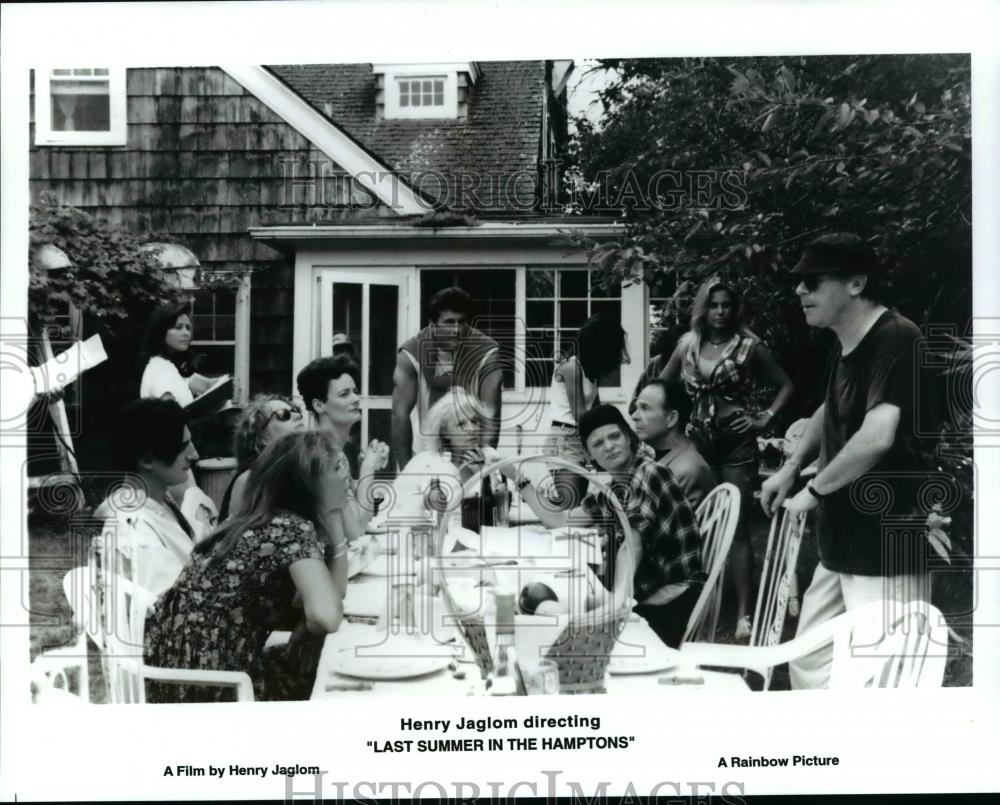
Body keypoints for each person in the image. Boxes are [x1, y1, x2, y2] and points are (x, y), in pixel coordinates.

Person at [760, 233, 929, 690]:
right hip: (843, 539)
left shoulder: (896, 336)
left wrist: (812, 493)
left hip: (885, 541)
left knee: (882, 682)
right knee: (810, 663)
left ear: (856, 283)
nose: (800, 291)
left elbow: (877, 437)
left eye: (812, 281)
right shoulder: (846, 342)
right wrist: (792, 467)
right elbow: (828, 409)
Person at [144, 430, 354, 702]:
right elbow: (326, 615)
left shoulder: (260, 520)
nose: (346, 476)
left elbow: (332, 597)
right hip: (215, 689)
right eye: (337, 467)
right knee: (336, 683)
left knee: (316, 659)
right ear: (307, 481)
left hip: (179, 673)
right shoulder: (288, 528)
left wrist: (333, 516)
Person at [658, 276, 794, 640]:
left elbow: (786, 385)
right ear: (704, 307)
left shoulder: (750, 346)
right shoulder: (688, 344)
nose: (720, 311)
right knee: (698, 522)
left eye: (727, 305)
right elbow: (662, 383)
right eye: (714, 304)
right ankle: (700, 605)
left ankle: (743, 614)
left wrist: (763, 417)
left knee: (736, 528)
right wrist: (662, 419)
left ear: (735, 309)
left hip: (736, 441)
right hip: (697, 441)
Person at [508, 404, 705, 648]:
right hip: (645, 591)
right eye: (598, 444)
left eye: (614, 436)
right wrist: (517, 477)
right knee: (548, 608)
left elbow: (632, 545)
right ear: (590, 455)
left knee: (566, 633)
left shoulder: (651, 473)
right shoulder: (612, 490)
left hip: (672, 599)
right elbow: (559, 520)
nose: (609, 446)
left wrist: (616, 604)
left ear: (629, 438)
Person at [391, 286, 503, 470]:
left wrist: (481, 465)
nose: (457, 329)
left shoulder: (487, 352)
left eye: (462, 322)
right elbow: (400, 414)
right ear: (432, 325)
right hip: (425, 448)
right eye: (449, 322)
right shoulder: (411, 352)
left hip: (470, 448)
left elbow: (490, 414)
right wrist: (406, 470)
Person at [99, 398, 200, 596]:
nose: (194, 454)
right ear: (146, 460)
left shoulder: (159, 502)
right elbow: (172, 607)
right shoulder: (134, 533)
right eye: (182, 447)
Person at [379, 388, 504, 533]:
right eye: (461, 424)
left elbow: (501, 513)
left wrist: (484, 476)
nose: (472, 429)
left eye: (475, 421)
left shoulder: (490, 456)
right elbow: (386, 511)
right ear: (444, 431)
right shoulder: (424, 462)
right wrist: (421, 507)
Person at [544, 312, 630, 508]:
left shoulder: (590, 371)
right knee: (570, 508)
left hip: (581, 438)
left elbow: (597, 412)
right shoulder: (571, 368)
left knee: (580, 506)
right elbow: (581, 415)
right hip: (565, 440)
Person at [296, 356, 389, 527]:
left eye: (355, 391)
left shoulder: (336, 451)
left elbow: (353, 513)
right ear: (319, 405)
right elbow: (358, 525)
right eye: (344, 394)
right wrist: (368, 468)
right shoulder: (318, 455)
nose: (355, 399)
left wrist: (365, 470)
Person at [630, 378, 716, 510]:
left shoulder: (685, 471)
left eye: (644, 408)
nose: (634, 416)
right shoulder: (666, 456)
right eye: (637, 408)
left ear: (672, 419)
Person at [219, 394, 306, 521]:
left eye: (296, 411)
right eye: (283, 415)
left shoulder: (304, 473)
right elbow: (233, 537)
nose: (297, 416)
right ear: (263, 436)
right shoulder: (249, 481)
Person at [139, 302, 216, 405]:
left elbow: (207, 385)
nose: (186, 333)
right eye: (178, 327)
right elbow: (172, 416)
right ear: (161, 331)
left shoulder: (173, 366)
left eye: (188, 328)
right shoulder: (160, 370)